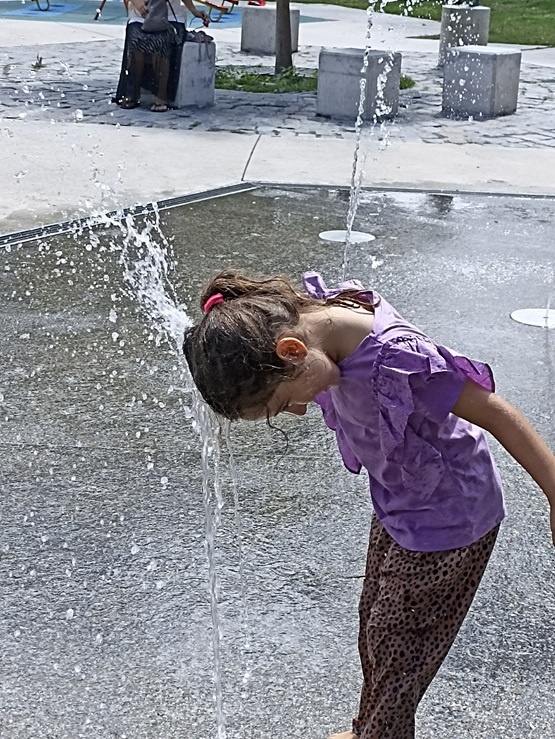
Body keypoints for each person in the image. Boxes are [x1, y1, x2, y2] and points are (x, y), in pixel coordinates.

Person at [182, 269, 555, 739]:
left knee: (400, 653)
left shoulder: (393, 357)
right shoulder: (315, 327)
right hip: (404, 504)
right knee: (378, 631)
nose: (298, 411)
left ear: (292, 352)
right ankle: (371, 729)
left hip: (451, 519)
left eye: (282, 404)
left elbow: (496, 413)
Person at [115, 0, 209, 112]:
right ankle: (133, 92)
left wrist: (194, 11)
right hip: (139, 17)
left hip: (169, 18)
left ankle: (162, 95)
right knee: (135, 42)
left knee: (161, 42)